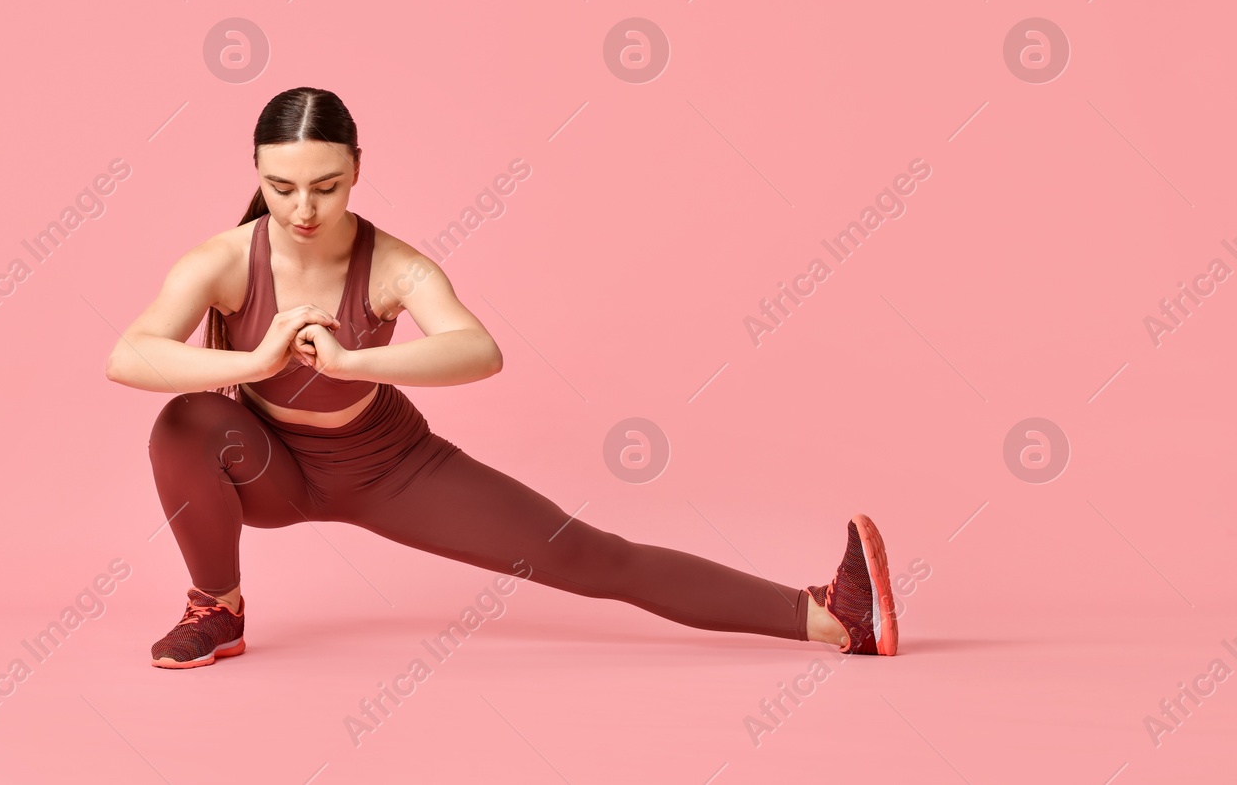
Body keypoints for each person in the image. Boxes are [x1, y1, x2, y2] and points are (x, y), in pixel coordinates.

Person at [105, 87, 899, 668]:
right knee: (183, 422)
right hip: (271, 472)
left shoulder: (393, 264)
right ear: (257, 171)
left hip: (390, 470)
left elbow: (478, 349)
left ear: (356, 169)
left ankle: (830, 616)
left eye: (326, 186)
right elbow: (130, 353)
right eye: (281, 188)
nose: (303, 208)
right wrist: (254, 363)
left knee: (593, 558)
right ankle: (219, 606)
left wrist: (354, 362)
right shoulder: (221, 259)